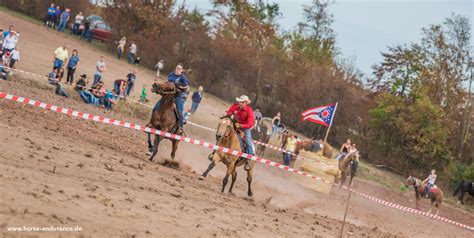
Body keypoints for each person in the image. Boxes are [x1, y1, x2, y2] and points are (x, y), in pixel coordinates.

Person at [152, 63, 189, 131]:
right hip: (168, 94)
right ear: (175, 68)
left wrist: (177, 86)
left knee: (179, 111)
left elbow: (186, 87)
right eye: (177, 68)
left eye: (180, 69)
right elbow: (167, 82)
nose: (178, 70)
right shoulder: (171, 74)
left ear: (181, 70)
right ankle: (152, 122)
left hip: (177, 95)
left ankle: (180, 127)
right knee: (156, 107)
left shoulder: (182, 77)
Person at [226, 95, 255, 170]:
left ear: (246, 103)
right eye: (239, 102)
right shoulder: (235, 106)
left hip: (245, 128)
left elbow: (251, 123)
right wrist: (229, 115)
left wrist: (241, 126)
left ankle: (249, 159)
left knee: (248, 142)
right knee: (223, 132)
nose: (240, 103)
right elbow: (229, 112)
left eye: (242, 102)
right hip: (234, 125)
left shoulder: (249, 110)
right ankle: (215, 151)